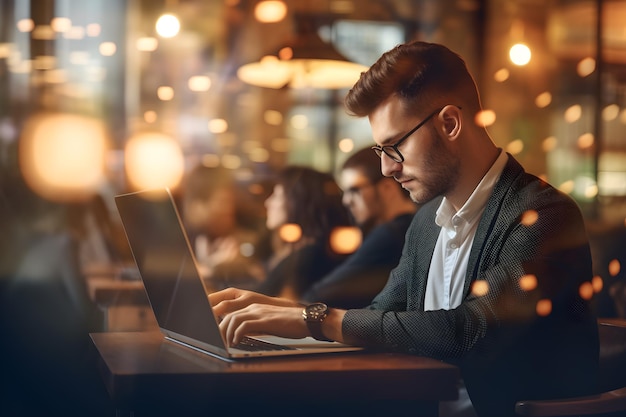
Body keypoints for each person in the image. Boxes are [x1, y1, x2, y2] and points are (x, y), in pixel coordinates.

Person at [208, 41, 599, 417]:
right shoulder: (426, 223)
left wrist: (315, 319)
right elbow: (383, 316)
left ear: (449, 123)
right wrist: (281, 310)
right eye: (381, 151)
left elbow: (473, 331)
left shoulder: (545, 214)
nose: (387, 168)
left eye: (395, 146)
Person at [301, 147, 419, 308]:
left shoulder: (392, 233)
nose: (346, 201)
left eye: (354, 190)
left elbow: (318, 296)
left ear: (387, 188)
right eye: (345, 192)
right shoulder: (411, 228)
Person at [255, 165, 352, 300]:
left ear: (296, 201)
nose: (268, 202)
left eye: (277, 195)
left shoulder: (310, 257)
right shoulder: (303, 249)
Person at [181, 164, 266, 288]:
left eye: (230, 200)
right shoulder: (183, 239)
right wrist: (213, 267)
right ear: (198, 204)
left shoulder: (247, 239)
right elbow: (174, 277)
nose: (228, 208)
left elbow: (262, 279)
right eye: (222, 201)